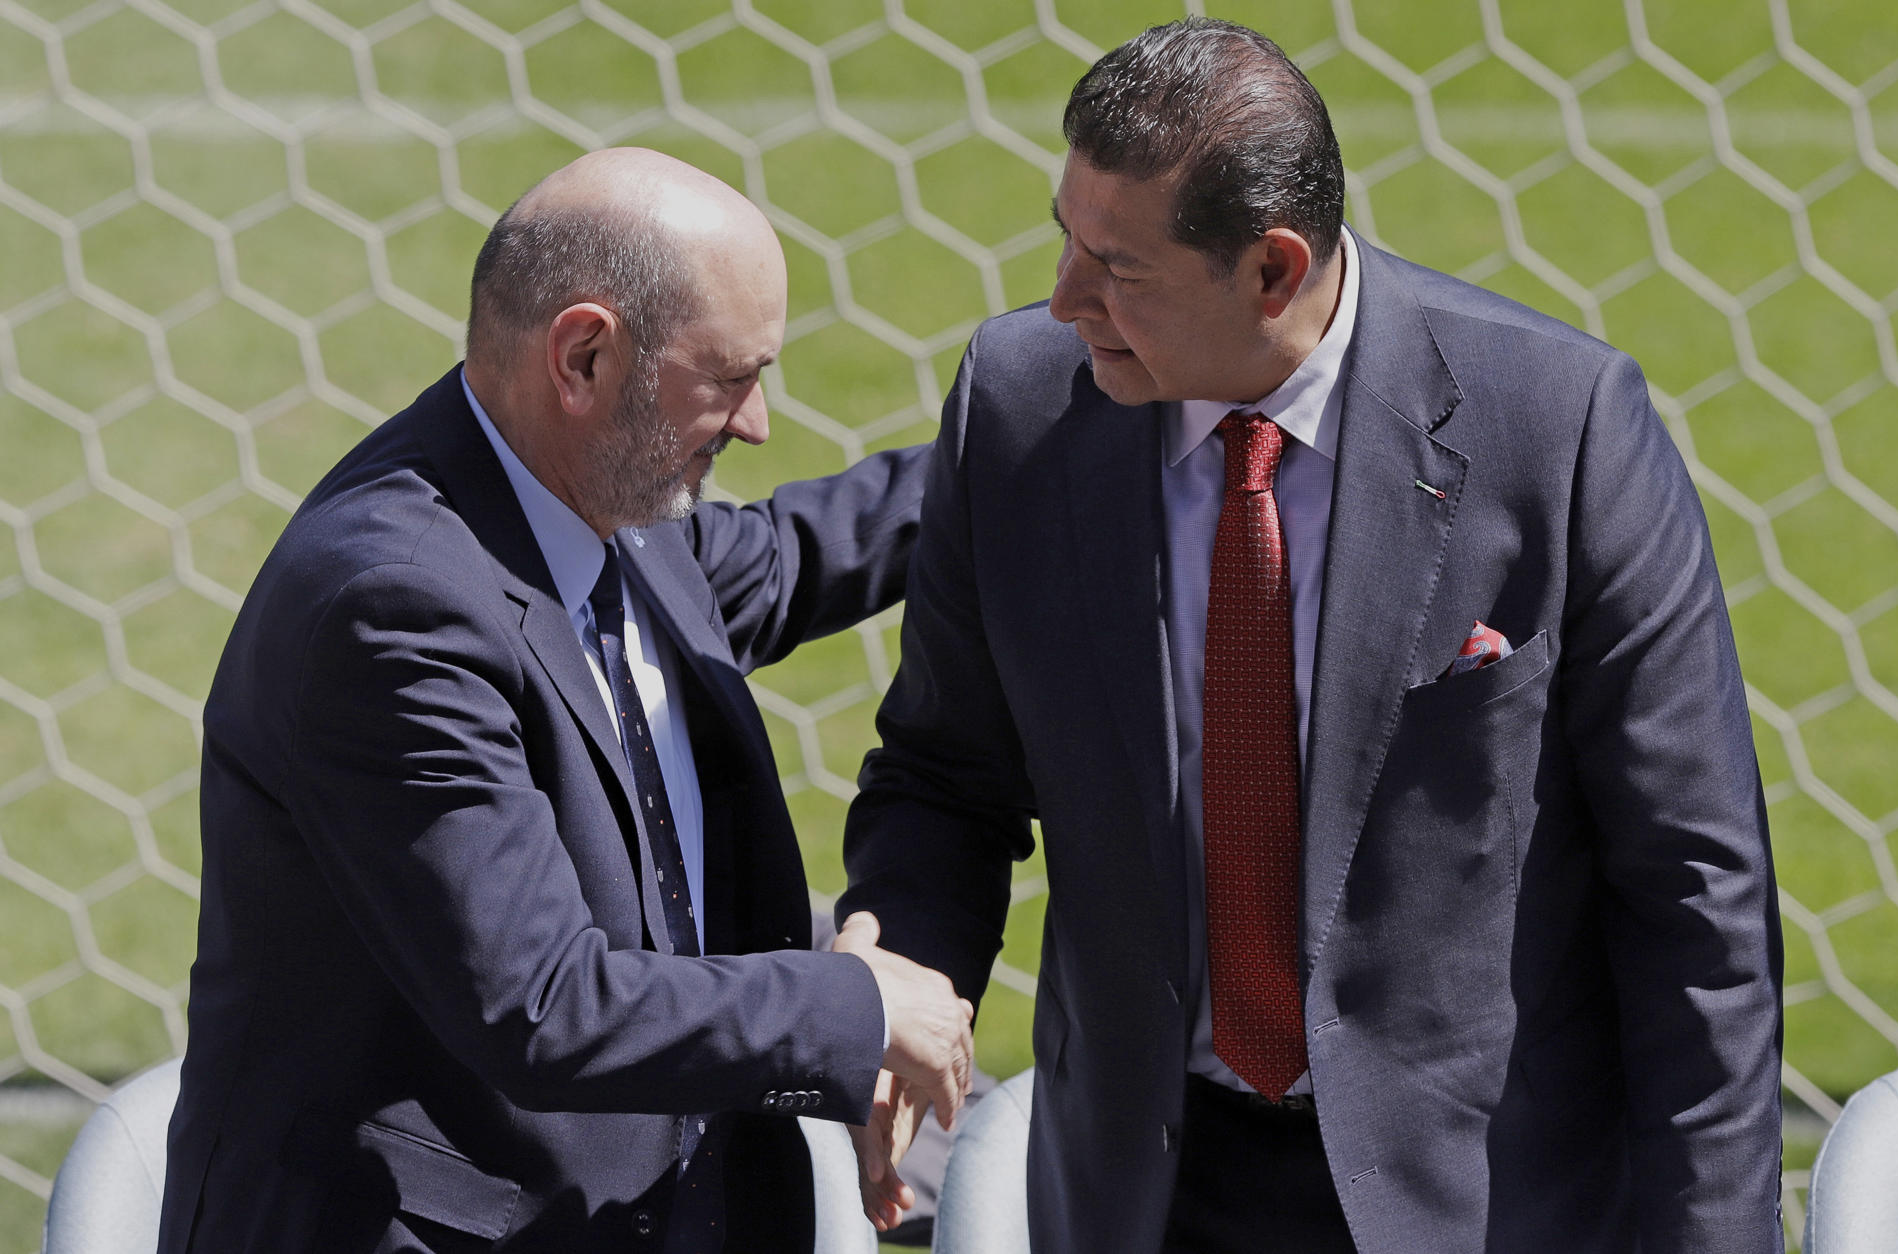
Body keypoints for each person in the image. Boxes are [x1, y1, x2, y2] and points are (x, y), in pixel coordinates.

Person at [839, 18, 1783, 1254]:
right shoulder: (1019, 409)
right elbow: (945, 777)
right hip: (1142, 1195)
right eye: (1065, 239)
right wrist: (900, 978)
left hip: (1483, 1207)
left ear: (1274, 273)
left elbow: (1694, 890)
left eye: (1119, 270)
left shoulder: (1560, 431)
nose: (1066, 298)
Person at [159, 147, 973, 1254]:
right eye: (730, 377)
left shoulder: (598, 497)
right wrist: (861, 1009)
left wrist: (1031, 434)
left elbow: (790, 555)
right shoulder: (396, 603)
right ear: (584, 356)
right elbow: (542, 1005)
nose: (757, 421)